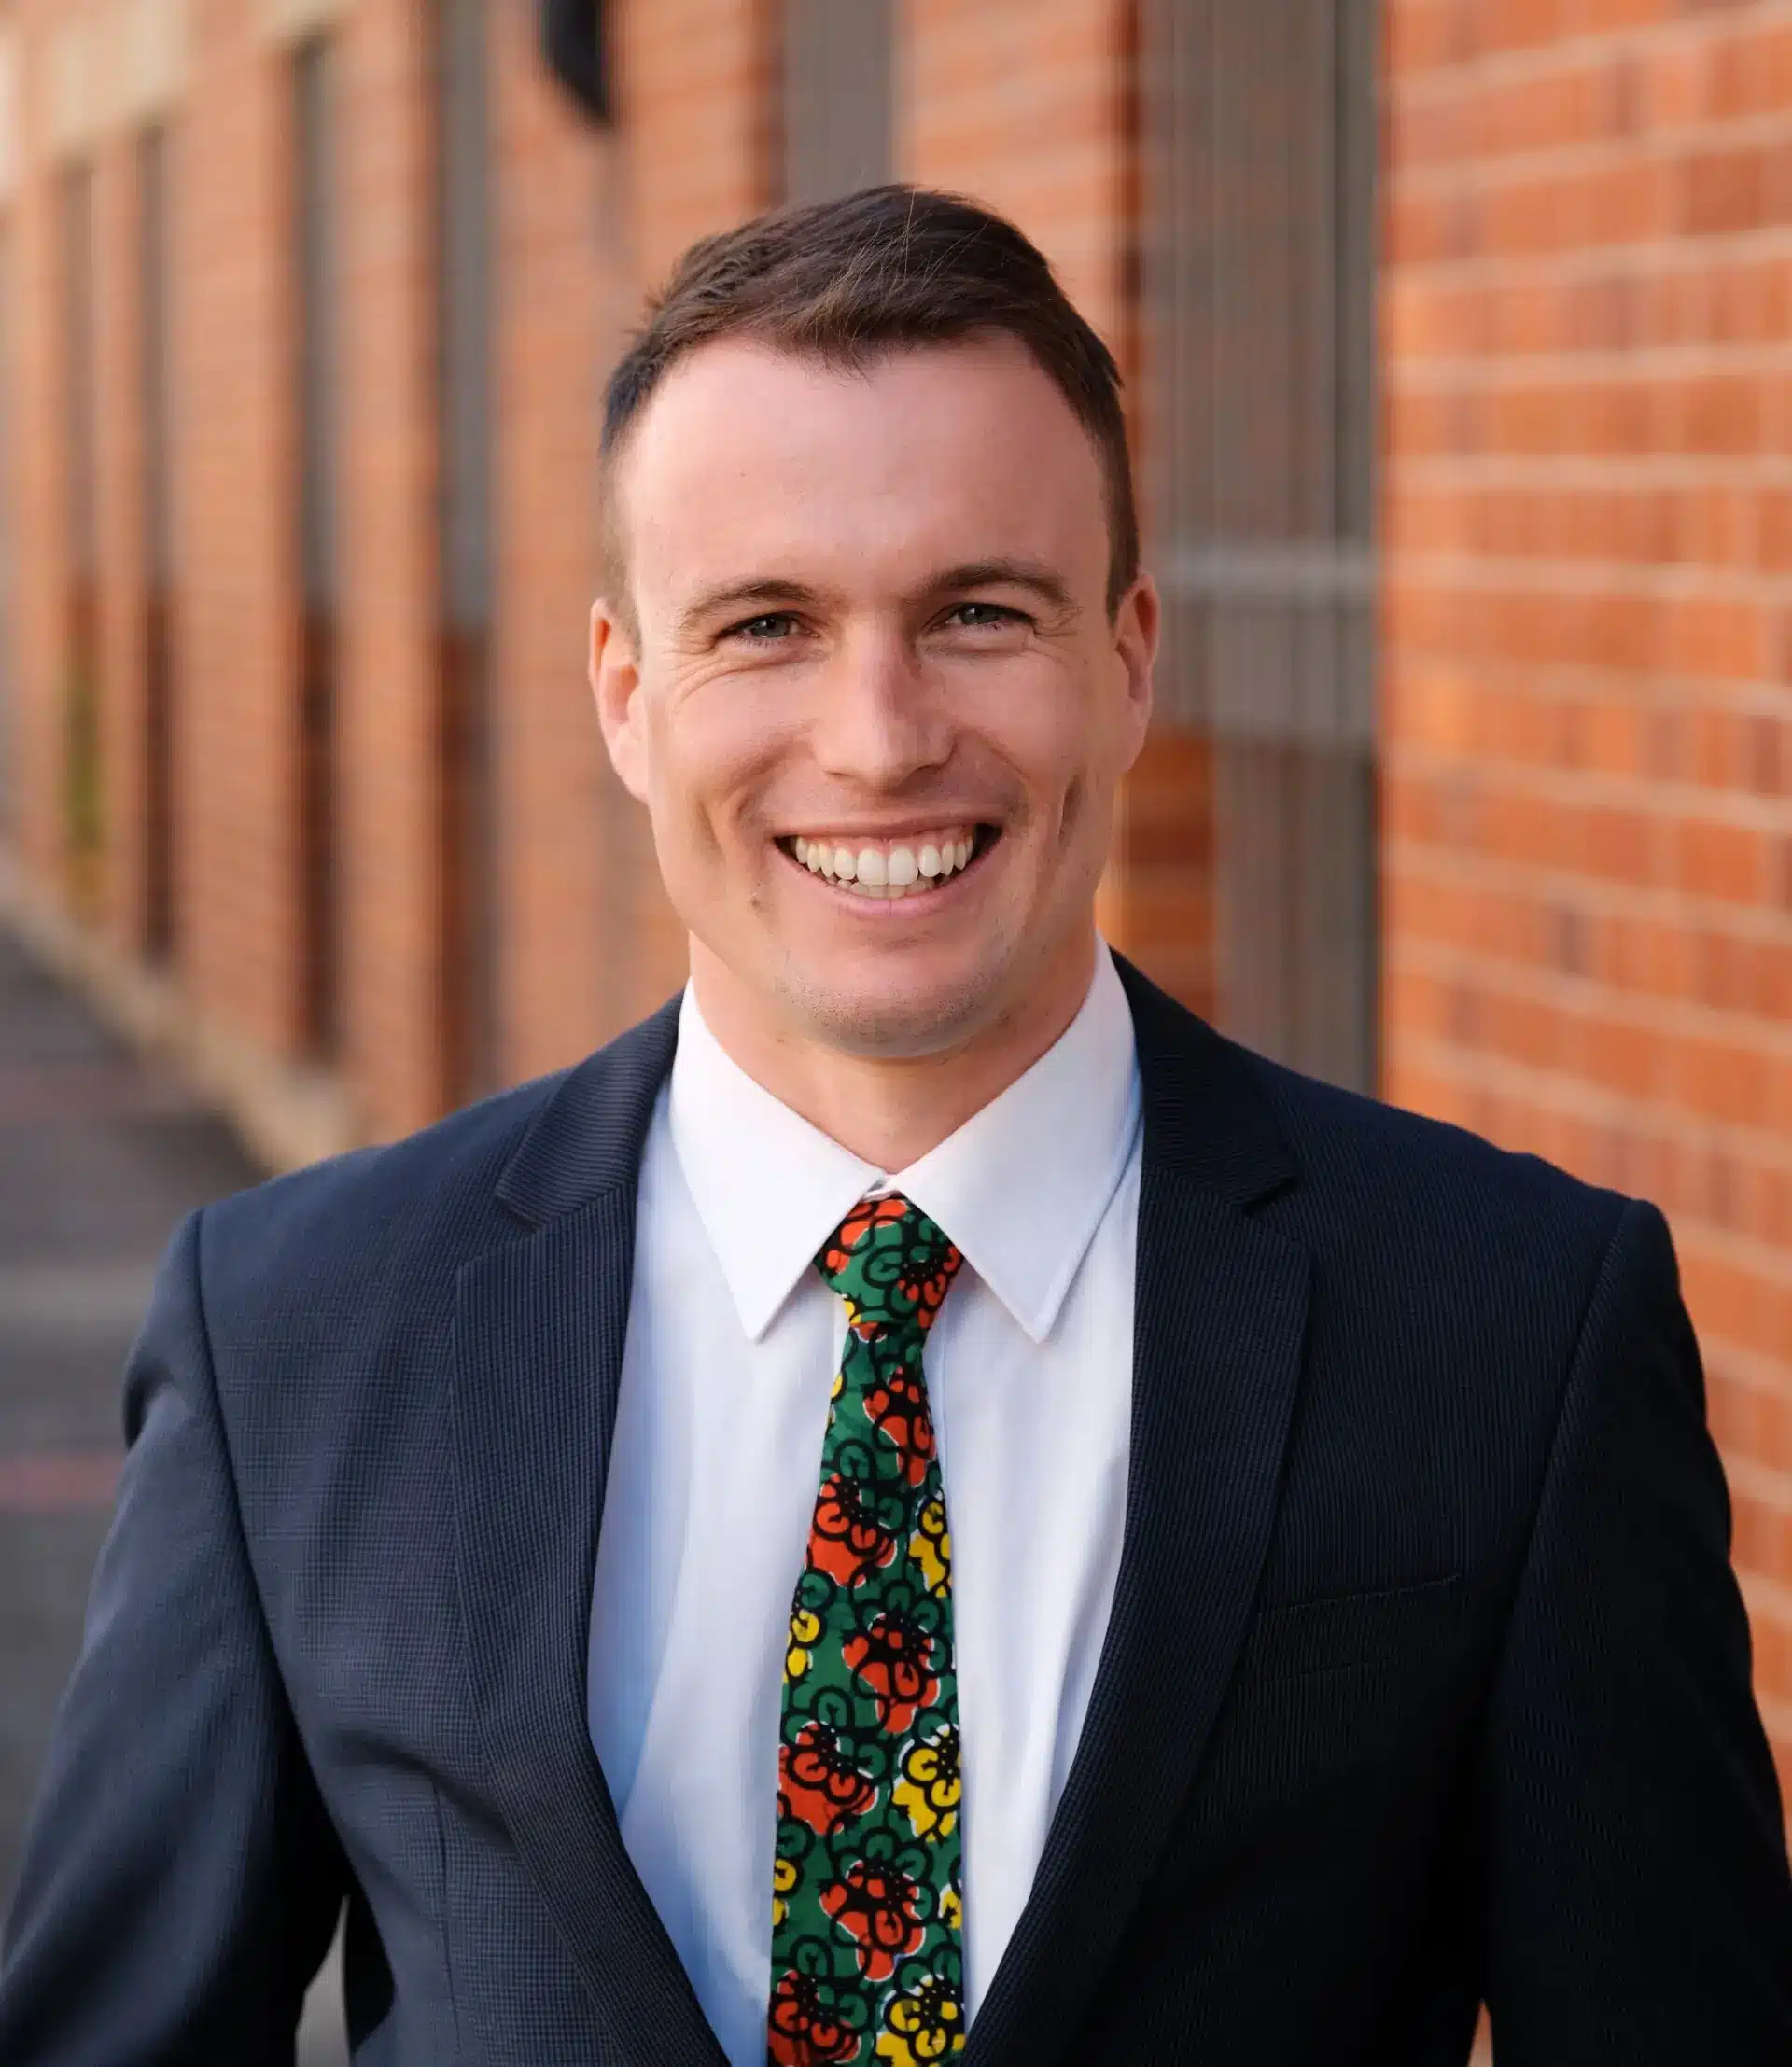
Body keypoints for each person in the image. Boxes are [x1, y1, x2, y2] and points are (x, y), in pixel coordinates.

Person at [3, 185, 1789, 2067]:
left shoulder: (1515, 1328)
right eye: (767, 623)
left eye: (979, 614)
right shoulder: (301, 1326)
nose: (875, 735)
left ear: (1128, 658)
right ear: (625, 694)